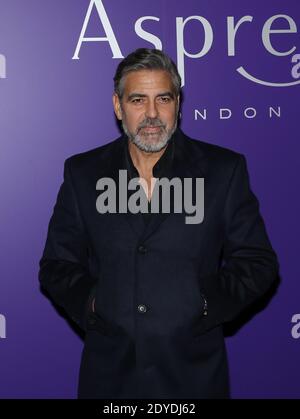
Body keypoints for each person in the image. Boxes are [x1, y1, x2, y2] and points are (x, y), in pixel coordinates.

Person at [39, 48, 279, 399]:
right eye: (138, 99)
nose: (152, 114)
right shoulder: (83, 173)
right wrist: (94, 302)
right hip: (110, 378)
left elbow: (258, 262)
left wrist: (204, 303)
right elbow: (56, 265)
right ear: (119, 106)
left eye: (163, 98)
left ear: (178, 104)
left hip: (193, 377)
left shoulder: (223, 171)